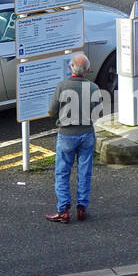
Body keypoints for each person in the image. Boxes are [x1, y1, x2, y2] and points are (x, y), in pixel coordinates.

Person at [45, 53, 101, 223]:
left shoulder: (62, 86)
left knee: (62, 173)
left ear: (70, 68)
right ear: (88, 70)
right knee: (84, 171)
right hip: (87, 134)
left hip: (67, 135)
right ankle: (82, 207)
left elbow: (51, 111)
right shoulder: (93, 87)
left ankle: (63, 210)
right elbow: (97, 114)